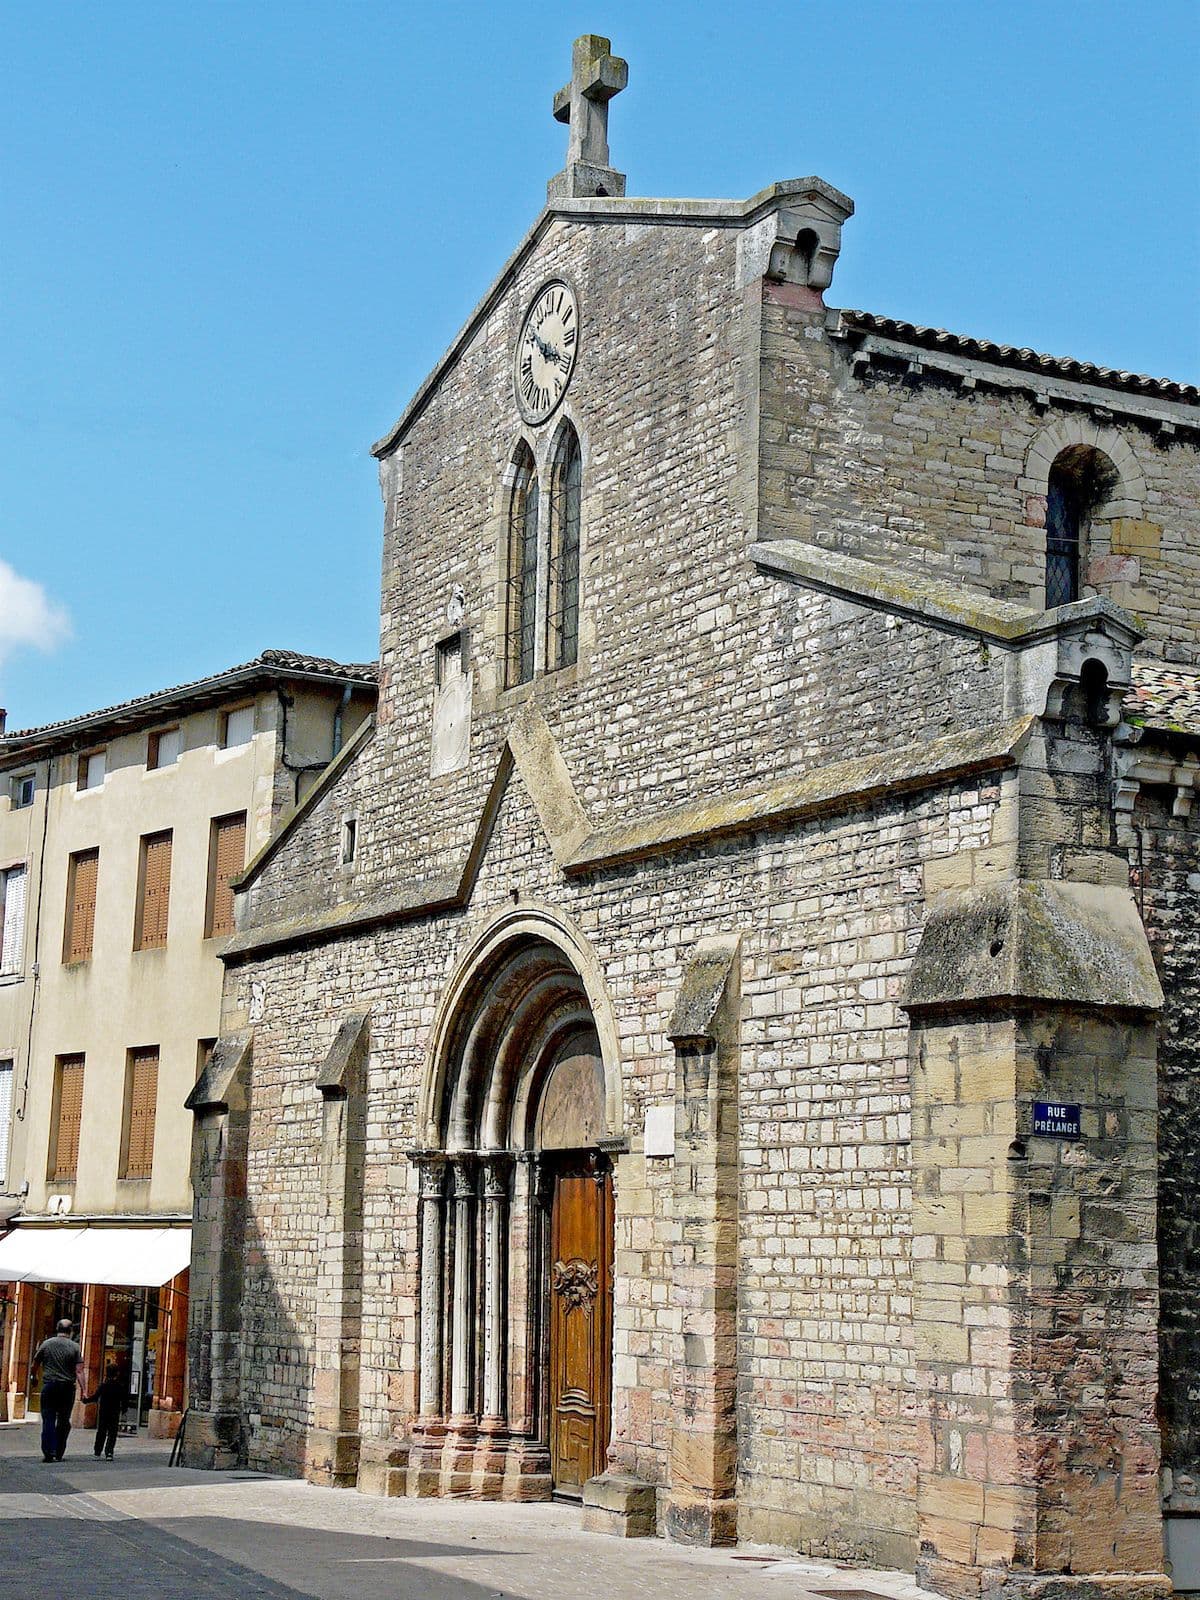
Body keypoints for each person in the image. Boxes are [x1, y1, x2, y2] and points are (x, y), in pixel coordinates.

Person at [31, 1317, 82, 1463]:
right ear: (71, 1331)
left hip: (49, 1386)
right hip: (67, 1389)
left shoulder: (46, 1344)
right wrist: (84, 1390)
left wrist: (33, 1377)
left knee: (48, 1419)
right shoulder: (75, 1347)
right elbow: (79, 1371)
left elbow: (35, 1363)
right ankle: (59, 1451)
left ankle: (48, 1451)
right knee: (64, 1420)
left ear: (57, 1329)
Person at [82, 1363, 125, 1460]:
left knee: (101, 1431)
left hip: (104, 1412)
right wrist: (124, 1409)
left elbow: (96, 1397)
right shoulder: (119, 1386)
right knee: (112, 1433)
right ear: (116, 1374)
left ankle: (97, 1451)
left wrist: (86, 1400)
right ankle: (109, 1452)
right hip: (114, 1412)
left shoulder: (104, 1385)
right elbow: (124, 1399)